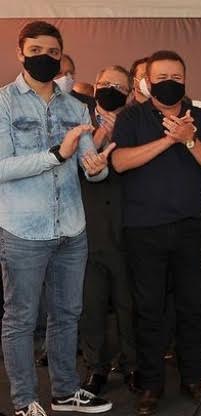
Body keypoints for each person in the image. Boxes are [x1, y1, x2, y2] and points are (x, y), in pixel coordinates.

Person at [0, 21, 114, 416]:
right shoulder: (4, 102)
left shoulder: (76, 107)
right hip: (23, 230)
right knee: (21, 319)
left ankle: (64, 392)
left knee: (67, 314)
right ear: (20, 52)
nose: (45, 58)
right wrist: (56, 155)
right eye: (36, 50)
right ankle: (24, 401)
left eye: (52, 52)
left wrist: (97, 167)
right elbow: (2, 166)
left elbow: (88, 166)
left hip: (71, 228)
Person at [110, 50, 201, 416]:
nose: (169, 83)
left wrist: (189, 139)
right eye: (161, 77)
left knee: (191, 307)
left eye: (176, 77)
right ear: (147, 81)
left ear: (185, 79)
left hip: (190, 227)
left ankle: (193, 377)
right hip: (143, 229)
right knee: (148, 310)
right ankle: (150, 384)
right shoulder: (131, 117)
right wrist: (168, 140)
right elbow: (119, 162)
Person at [79, 65, 138, 396]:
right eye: (104, 83)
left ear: (128, 93)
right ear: (95, 87)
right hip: (88, 232)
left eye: (118, 85)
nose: (109, 89)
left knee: (129, 307)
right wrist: (97, 138)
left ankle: (132, 366)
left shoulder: (136, 124)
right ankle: (96, 368)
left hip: (128, 230)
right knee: (92, 307)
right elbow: (65, 169)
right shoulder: (78, 122)